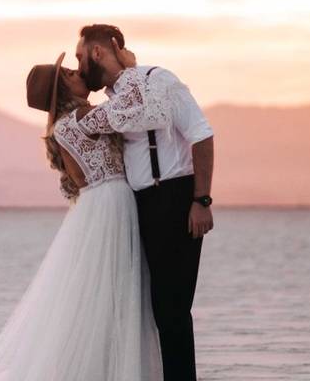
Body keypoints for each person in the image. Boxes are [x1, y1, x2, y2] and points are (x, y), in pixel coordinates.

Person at [0, 51, 167, 380]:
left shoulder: (61, 127)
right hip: (112, 205)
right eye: (70, 74)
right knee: (117, 296)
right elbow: (137, 107)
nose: (77, 72)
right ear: (64, 90)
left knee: (99, 298)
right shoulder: (83, 118)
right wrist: (129, 68)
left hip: (95, 208)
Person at [74, 23, 215, 381]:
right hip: (141, 205)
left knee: (173, 309)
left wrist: (201, 199)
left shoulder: (159, 81)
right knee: (154, 308)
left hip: (175, 198)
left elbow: (201, 135)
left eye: (80, 56)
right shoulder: (117, 102)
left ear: (97, 52)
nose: (78, 67)